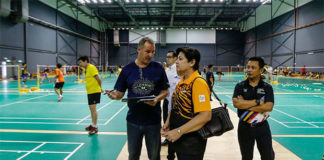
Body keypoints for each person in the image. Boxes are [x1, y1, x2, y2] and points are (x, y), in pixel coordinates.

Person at [106, 37, 169, 160]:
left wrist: (156, 99)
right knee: (133, 155)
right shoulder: (127, 70)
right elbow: (119, 94)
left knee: (155, 156)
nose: (151, 55)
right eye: (147, 51)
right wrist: (114, 96)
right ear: (139, 49)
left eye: (153, 52)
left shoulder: (158, 68)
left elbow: (165, 91)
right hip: (133, 121)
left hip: (153, 121)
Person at [161, 47, 212, 160]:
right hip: (181, 139)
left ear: (192, 62)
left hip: (192, 143)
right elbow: (175, 105)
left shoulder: (198, 83)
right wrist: (168, 122)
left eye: (180, 59)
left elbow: (205, 115)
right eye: (177, 59)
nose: (176, 62)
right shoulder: (182, 81)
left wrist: (179, 131)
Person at [232, 57, 275, 160]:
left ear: (261, 70)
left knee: (268, 156)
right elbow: (236, 104)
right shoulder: (240, 86)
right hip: (244, 127)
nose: (249, 70)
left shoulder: (267, 87)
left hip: (262, 127)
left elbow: (268, 106)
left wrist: (245, 105)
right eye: (248, 67)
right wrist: (257, 102)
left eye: (253, 67)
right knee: (246, 157)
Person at [161, 50, 181, 160]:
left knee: (175, 127)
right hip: (167, 101)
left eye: (170, 57)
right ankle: (171, 153)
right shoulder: (167, 70)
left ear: (175, 58)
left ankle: (173, 153)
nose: (168, 58)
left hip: (176, 104)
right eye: (167, 56)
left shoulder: (178, 71)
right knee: (167, 124)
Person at [78, 56, 102, 135]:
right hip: (90, 92)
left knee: (93, 109)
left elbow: (99, 79)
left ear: (85, 61)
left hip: (94, 91)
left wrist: (99, 88)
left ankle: (95, 127)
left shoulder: (91, 68)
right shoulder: (87, 69)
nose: (80, 64)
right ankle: (92, 124)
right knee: (91, 109)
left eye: (81, 62)